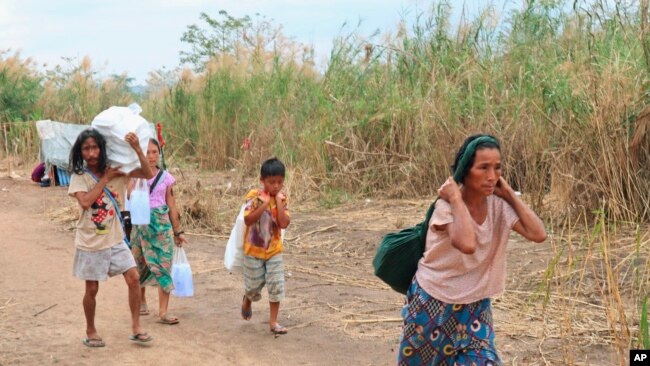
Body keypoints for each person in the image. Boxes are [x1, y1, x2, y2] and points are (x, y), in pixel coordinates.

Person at [398, 134, 547, 365]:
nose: (492, 176)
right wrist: (456, 198)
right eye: (483, 168)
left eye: (497, 168)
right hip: (432, 304)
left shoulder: (498, 205)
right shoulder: (445, 207)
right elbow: (467, 244)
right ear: (465, 170)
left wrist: (508, 193)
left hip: (475, 308)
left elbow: (538, 234)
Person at [67, 128, 155, 347]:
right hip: (90, 241)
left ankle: (136, 327)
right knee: (92, 289)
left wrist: (136, 148)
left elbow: (148, 173)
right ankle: (90, 330)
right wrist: (106, 178)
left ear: (102, 148)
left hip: (115, 239)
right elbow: (86, 202)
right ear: (80, 152)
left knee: (134, 278)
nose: (91, 153)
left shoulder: (119, 170)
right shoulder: (79, 177)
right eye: (86, 148)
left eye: (95, 147)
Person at [130, 138, 188, 324]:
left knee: (164, 266)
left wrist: (178, 231)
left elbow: (172, 205)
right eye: (147, 152)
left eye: (155, 152)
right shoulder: (135, 176)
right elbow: (129, 196)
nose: (151, 156)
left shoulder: (166, 178)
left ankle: (163, 312)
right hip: (140, 228)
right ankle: (142, 300)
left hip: (161, 229)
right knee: (140, 265)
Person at [240, 157, 291, 335]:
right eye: (271, 182)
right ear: (262, 181)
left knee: (276, 284)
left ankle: (273, 321)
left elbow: (284, 223)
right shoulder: (254, 197)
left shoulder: (282, 200)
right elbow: (248, 219)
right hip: (253, 250)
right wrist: (264, 204)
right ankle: (248, 298)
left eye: (279, 182)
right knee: (254, 286)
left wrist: (277, 202)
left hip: (274, 250)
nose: (276, 186)